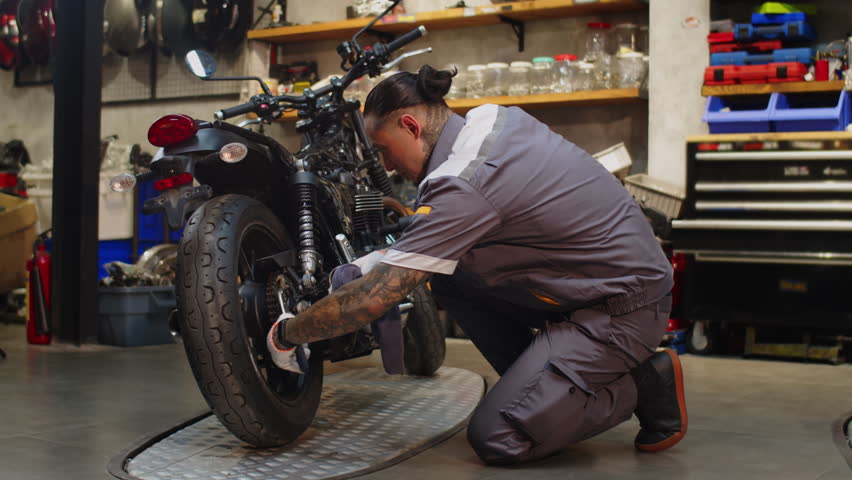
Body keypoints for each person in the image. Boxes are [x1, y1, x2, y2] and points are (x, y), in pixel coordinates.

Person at [267, 65, 686, 465]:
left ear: (411, 127)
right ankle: (543, 391)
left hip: (623, 308)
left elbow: (371, 302)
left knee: (499, 436)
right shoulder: (489, 122)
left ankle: (647, 383)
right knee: (452, 279)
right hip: (595, 280)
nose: (387, 166)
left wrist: (288, 334)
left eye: (383, 150)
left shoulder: (467, 181)